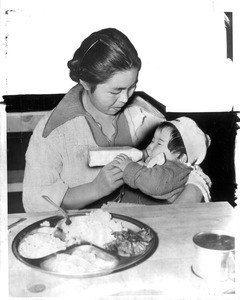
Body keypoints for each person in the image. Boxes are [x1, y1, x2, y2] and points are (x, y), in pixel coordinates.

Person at [23, 28, 205, 212]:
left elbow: (189, 164)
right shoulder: (53, 132)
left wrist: (189, 195)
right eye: (115, 91)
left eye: (132, 87)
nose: (125, 99)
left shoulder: (146, 115)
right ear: (86, 83)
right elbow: (36, 203)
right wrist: (95, 189)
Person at [112, 117, 212, 204]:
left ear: (180, 157)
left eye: (159, 144)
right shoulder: (162, 164)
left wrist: (129, 167)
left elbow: (153, 182)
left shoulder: (175, 169)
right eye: (152, 141)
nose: (150, 147)